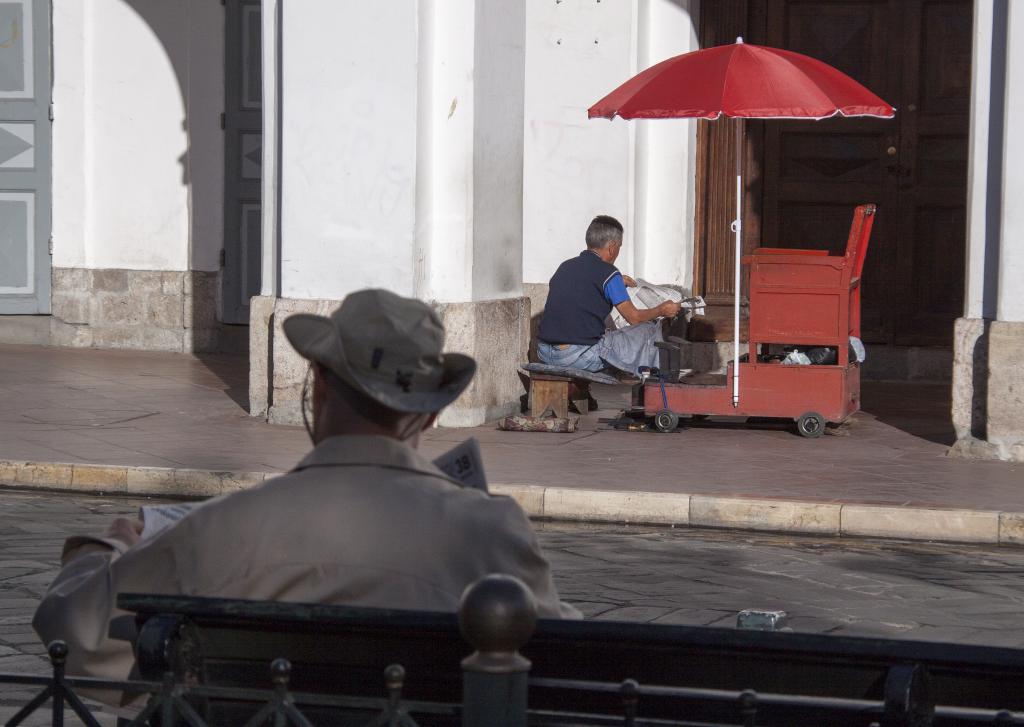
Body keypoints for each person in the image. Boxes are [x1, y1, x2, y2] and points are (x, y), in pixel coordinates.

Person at [33, 288, 579, 688]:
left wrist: (109, 544)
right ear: (429, 415)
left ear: (317, 386)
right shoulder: (491, 530)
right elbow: (566, 660)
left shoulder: (222, 529)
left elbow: (70, 632)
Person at [537, 215, 682, 376]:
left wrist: (617, 282)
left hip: (545, 352)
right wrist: (662, 310)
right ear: (612, 247)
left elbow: (584, 287)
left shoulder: (565, 266)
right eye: (619, 247)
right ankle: (653, 381)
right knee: (648, 331)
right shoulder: (609, 273)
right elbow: (634, 318)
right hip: (578, 357)